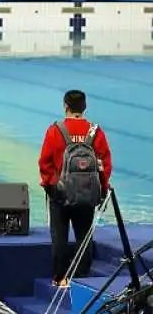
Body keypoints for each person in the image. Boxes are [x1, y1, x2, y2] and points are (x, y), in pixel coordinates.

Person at [38, 89, 113, 287]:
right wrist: (102, 188)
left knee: (60, 237)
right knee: (84, 237)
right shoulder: (95, 132)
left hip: (60, 193)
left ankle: (60, 279)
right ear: (85, 107)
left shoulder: (55, 130)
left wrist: (51, 185)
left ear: (65, 106)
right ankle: (81, 280)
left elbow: (44, 162)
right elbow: (105, 162)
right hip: (88, 194)